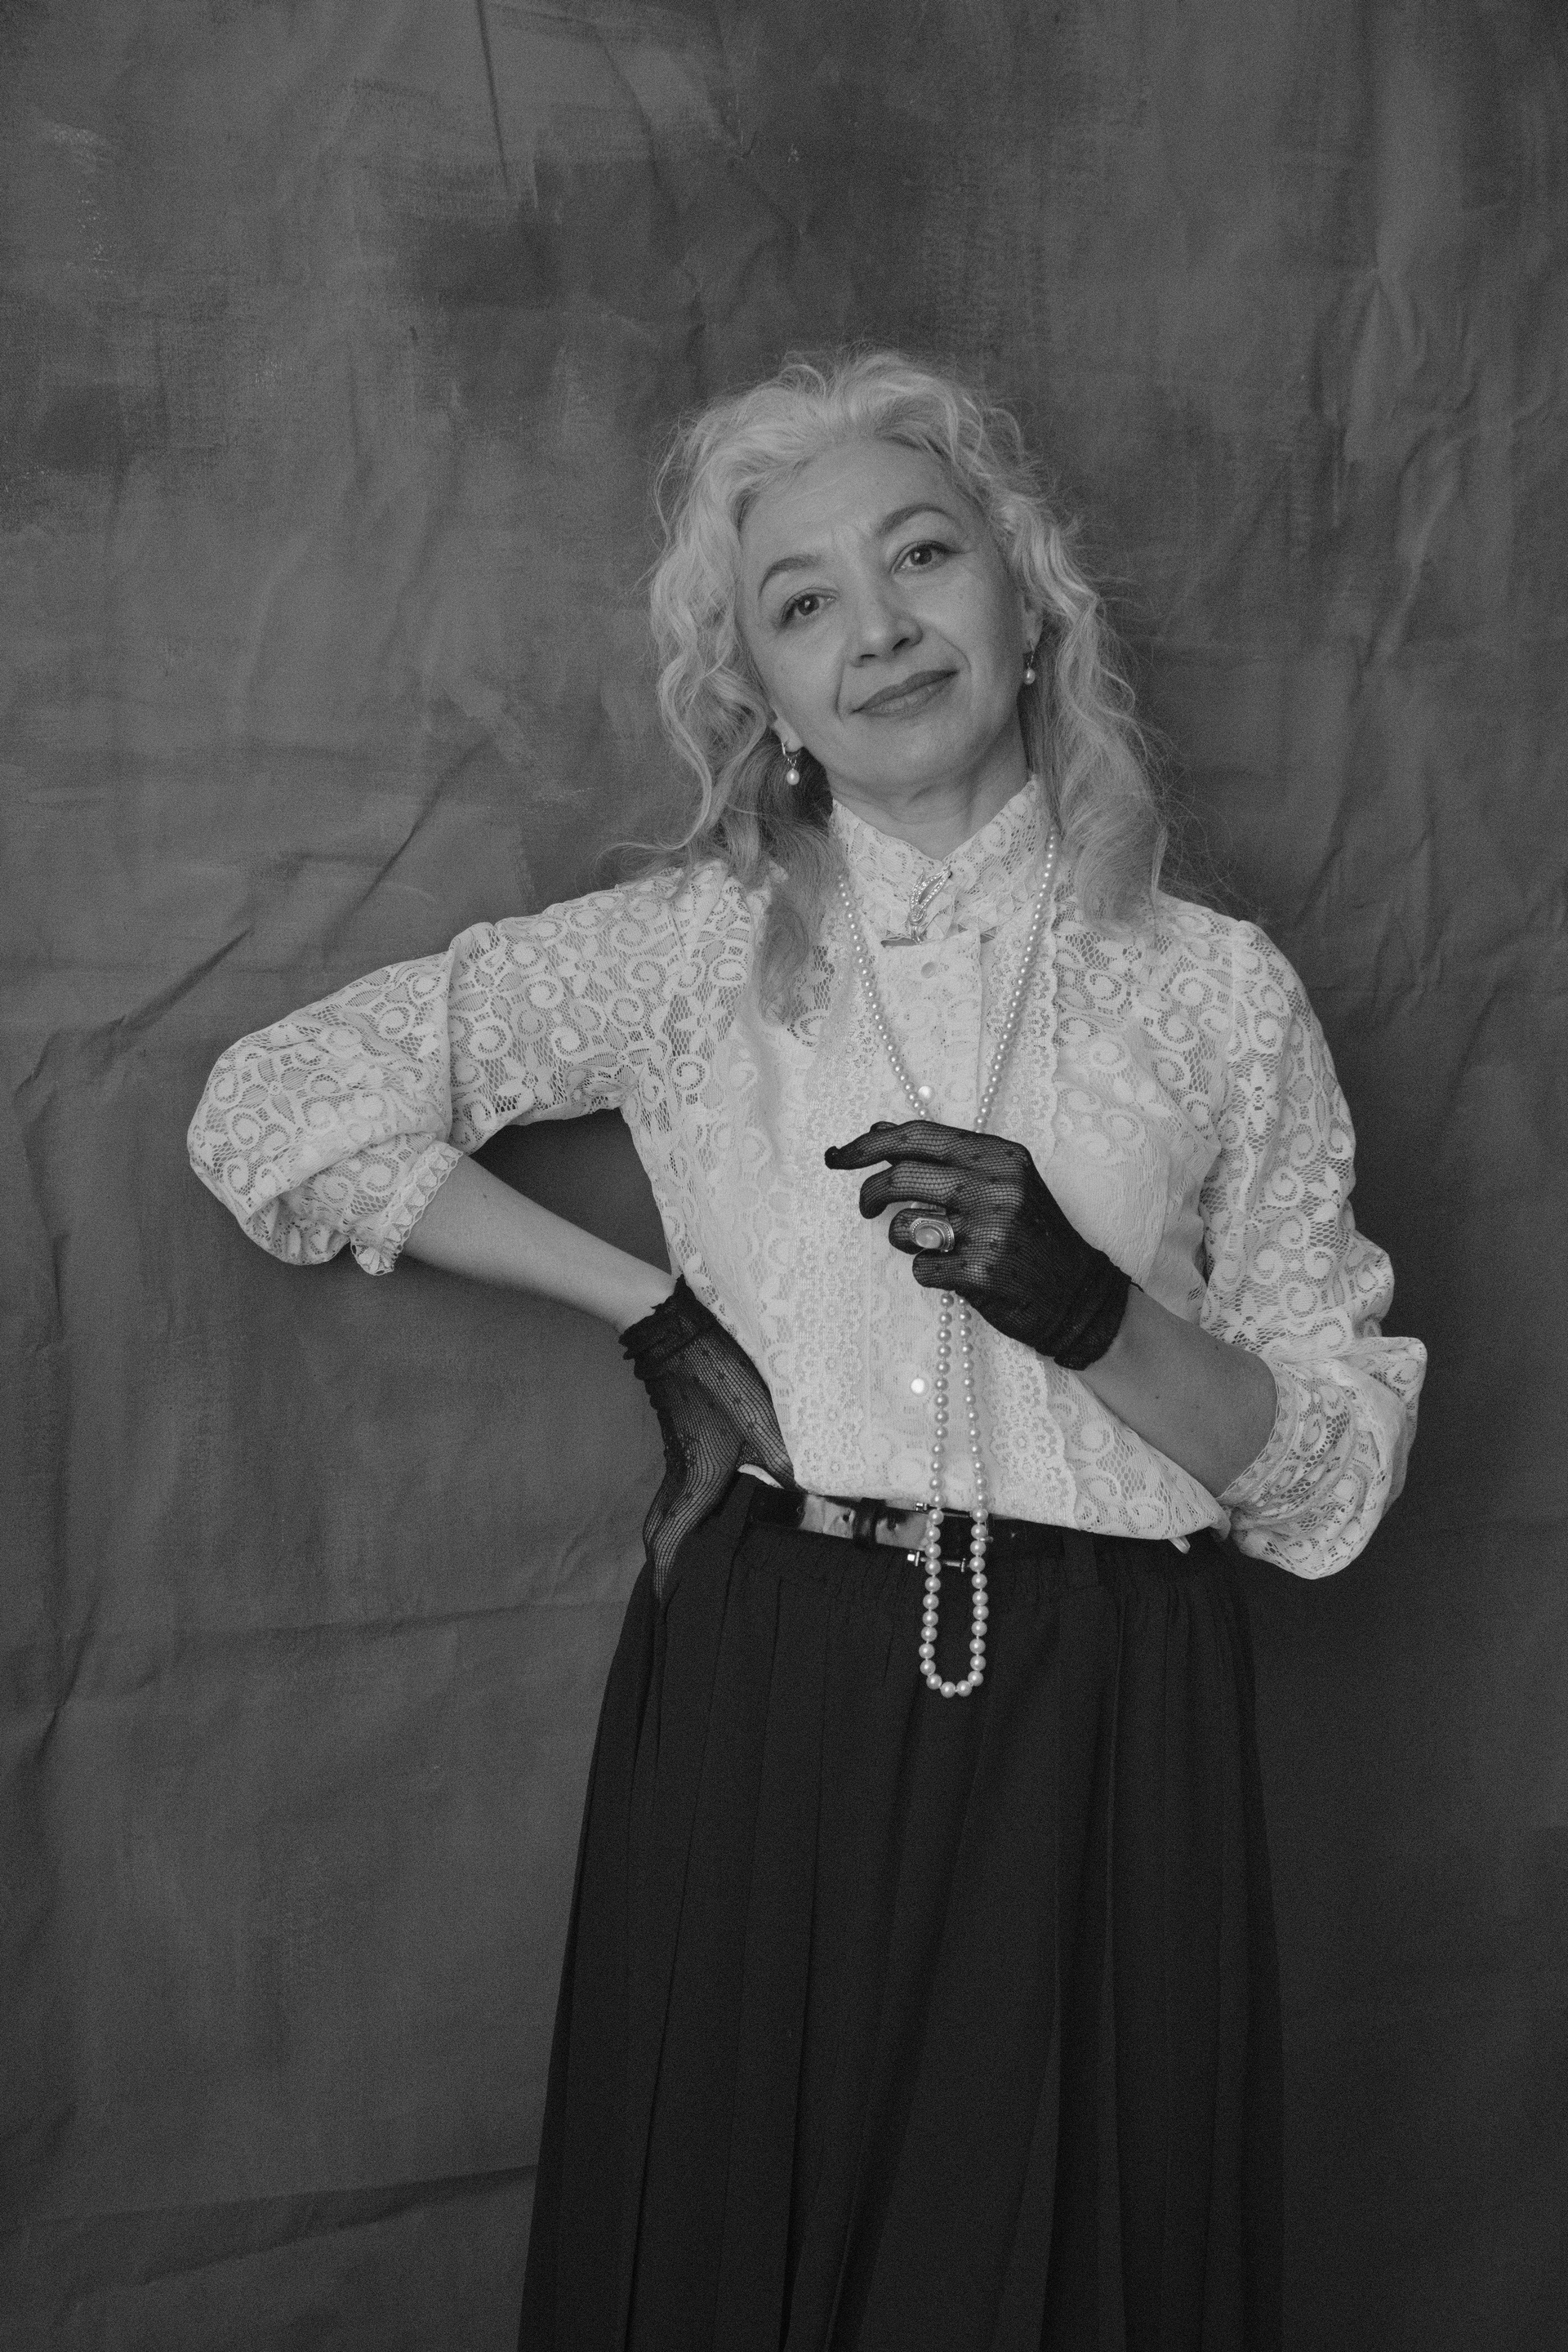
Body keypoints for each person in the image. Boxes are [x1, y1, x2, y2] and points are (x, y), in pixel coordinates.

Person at [188, 351, 1426, 2351]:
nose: (879, 627)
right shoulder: (686, 953)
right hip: (775, 1690)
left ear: (1027, 603)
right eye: (803, 600)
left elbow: (1329, 1481)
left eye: (922, 556)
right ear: (761, 692)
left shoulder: (1216, 991)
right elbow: (269, 1112)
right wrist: (655, 1315)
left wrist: (1096, 1314)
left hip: (1113, 1717)